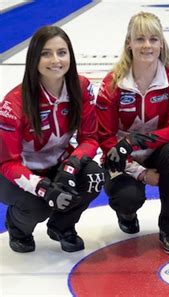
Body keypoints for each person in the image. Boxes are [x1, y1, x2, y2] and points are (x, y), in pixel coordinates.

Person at [0, 26, 105, 253]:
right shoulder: (14, 103)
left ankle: (62, 226)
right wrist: (43, 188)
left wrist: (70, 167)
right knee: (39, 207)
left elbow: (89, 138)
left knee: (95, 176)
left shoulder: (82, 87)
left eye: (61, 52)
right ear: (34, 59)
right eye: (46, 53)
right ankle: (18, 227)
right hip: (15, 172)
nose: (55, 60)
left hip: (56, 164)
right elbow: (8, 163)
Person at [96, 12, 169, 254]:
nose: (147, 45)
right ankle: (126, 213)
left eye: (153, 39)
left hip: (156, 151)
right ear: (129, 43)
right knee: (127, 198)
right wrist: (140, 173)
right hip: (121, 157)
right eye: (139, 39)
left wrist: (136, 140)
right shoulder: (112, 83)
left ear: (161, 43)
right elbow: (105, 138)